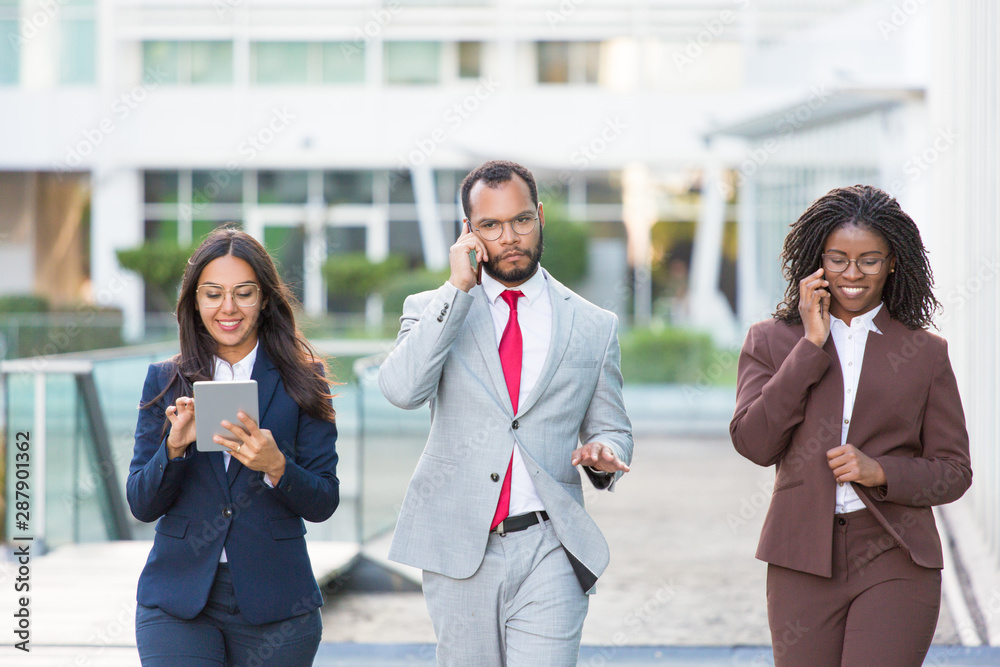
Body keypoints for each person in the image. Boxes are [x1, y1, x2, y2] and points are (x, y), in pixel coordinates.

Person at [378, 160, 633, 665]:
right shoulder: (434, 307)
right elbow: (402, 390)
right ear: (468, 233)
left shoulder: (592, 324)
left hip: (551, 545)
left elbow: (613, 426)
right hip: (458, 548)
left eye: (520, 220)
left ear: (539, 216)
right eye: (490, 225)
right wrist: (457, 288)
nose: (509, 237)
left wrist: (606, 451)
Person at [730, 185, 972, 666]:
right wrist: (809, 347)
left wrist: (880, 471)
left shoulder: (925, 354)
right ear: (816, 259)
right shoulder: (771, 342)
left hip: (896, 554)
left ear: (893, 263)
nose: (852, 274)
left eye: (869, 260)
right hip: (800, 556)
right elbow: (754, 442)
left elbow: (954, 471)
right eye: (838, 259)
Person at [127, 226, 339, 666]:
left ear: (264, 299)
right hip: (178, 600)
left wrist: (277, 466)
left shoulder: (304, 378)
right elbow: (141, 504)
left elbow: (323, 501)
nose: (228, 308)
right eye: (213, 294)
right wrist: (173, 449)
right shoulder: (166, 380)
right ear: (195, 301)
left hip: (277, 604)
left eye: (243, 293)